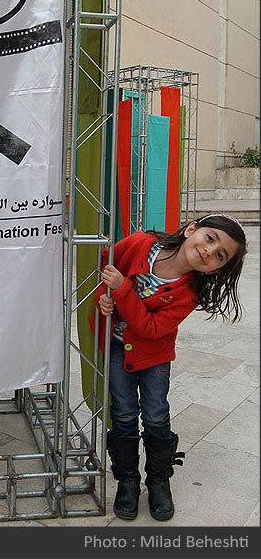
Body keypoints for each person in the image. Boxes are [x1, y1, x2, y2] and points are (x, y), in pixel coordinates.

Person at [89, 213, 247, 522]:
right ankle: (127, 480)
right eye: (210, 238)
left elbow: (149, 328)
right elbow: (106, 264)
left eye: (220, 256)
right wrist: (102, 297)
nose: (209, 251)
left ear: (217, 269)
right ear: (191, 229)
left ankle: (158, 480)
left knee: (156, 415)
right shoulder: (140, 244)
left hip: (155, 359)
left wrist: (121, 290)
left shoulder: (189, 294)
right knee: (123, 413)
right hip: (118, 349)